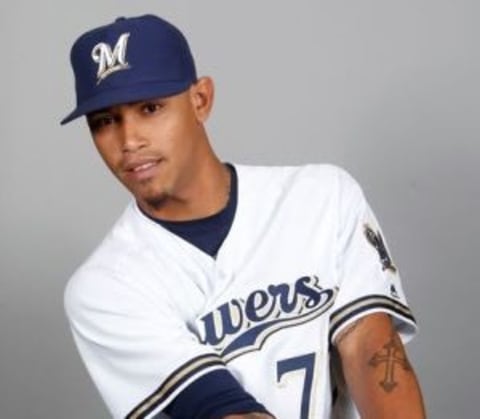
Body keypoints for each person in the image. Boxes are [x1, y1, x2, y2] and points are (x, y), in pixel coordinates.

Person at [62, 14, 426, 419]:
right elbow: (227, 412)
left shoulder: (322, 198)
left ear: (201, 100)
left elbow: (372, 350)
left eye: (150, 108)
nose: (129, 141)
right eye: (105, 121)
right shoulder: (103, 288)